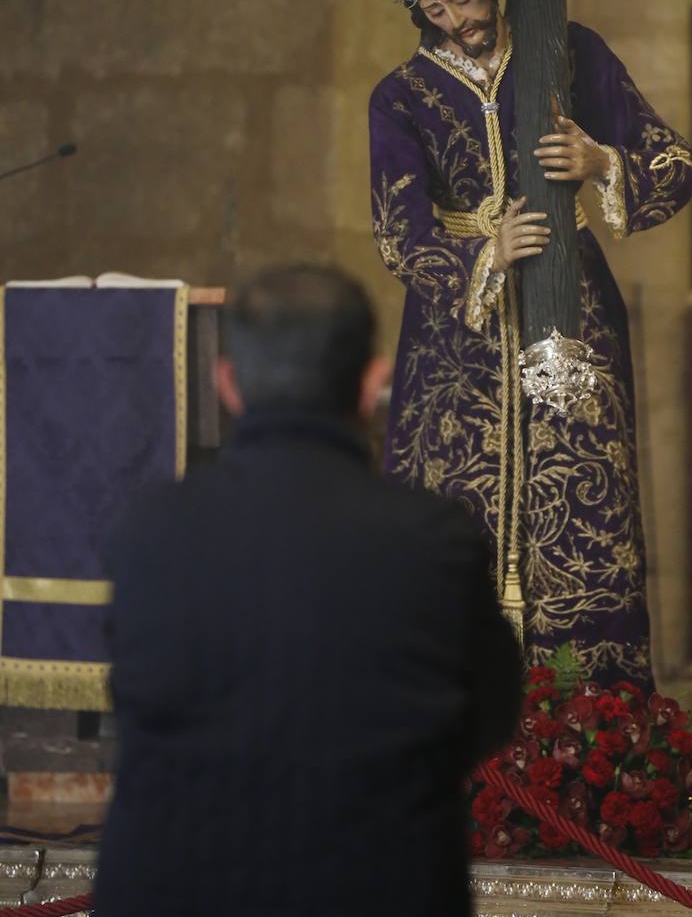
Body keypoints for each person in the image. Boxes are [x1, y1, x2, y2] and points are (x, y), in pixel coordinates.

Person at [294, 0, 692, 687]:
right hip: (456, 336)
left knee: (582, 499)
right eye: (435, 8)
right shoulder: (400, 96)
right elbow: (399, 233)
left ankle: (590, 710)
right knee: (453, 508)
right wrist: (485, 254)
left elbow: (673, 162)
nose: (457, 21)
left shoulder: (568, 51)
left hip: (571, 308)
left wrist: (600, 162)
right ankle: (453, 704)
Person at [93, 263, 522, 917]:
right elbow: (489, 715)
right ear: (373, 383)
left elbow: (136, 702)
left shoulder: (148, 532)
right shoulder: (435, 538)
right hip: (379, 888)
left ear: (228, 383)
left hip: (175, 890)